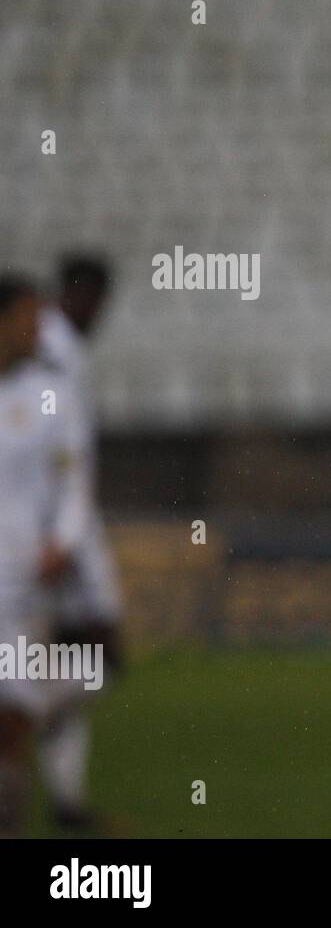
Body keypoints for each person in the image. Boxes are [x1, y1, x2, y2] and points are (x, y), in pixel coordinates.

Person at [0, 272, 91, 835]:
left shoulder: (50, 394)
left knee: (14, 717)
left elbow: (74, 482)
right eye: (30, 317)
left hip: (22, 581)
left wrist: (65, 540)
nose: (40, 329)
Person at [37, 253, 123, 832]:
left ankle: (68, 802)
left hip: (60, 525)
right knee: (103, 655)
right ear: (76, 291)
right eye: (94, 296)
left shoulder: (60, 347)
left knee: (75, 660)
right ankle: (21, 714)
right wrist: (58, 533)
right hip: (55, 533)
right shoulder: (50, 347)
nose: (99, 311)